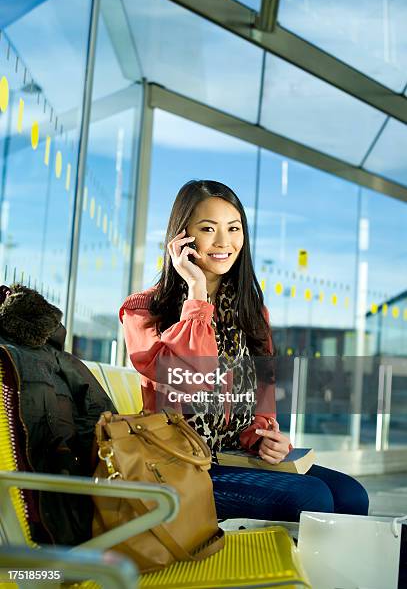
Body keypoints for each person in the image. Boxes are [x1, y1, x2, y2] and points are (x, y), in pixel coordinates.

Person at [120, 180, 369, 521]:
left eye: (233, 228)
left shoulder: (250, 312)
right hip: (181, 464)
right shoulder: (144, 310)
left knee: (352, 496)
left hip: (237, 457)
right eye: (208, 229)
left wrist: (265, 437)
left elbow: (261, 395)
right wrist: (196, 294)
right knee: (312, 498)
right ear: (182, 238)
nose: (224, 242)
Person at [0, 283, 117, 544]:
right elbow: (104, 419)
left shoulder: (44, 356)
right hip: (78, 517)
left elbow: (100, 419)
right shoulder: (53, 356)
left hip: (64, 515)